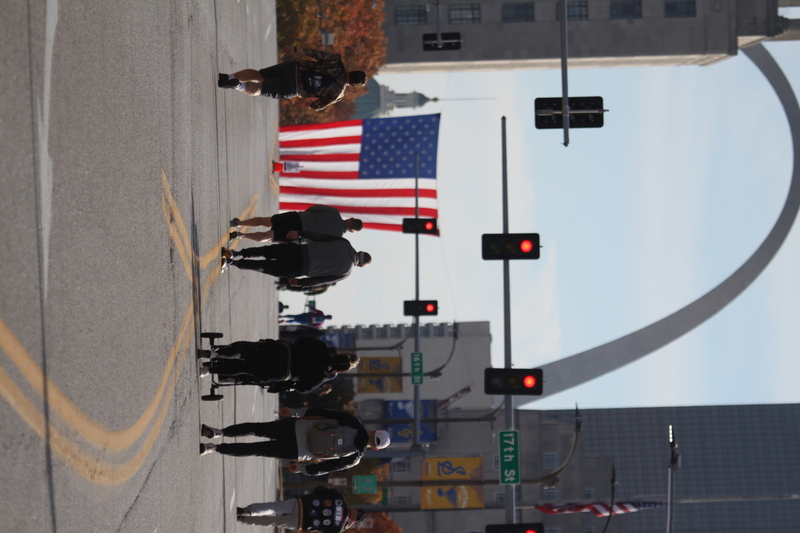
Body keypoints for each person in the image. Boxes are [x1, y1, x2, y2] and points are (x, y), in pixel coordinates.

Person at [200, 407, 391, 476]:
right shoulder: (353, 459)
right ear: (374, 447)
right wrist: (301, 468)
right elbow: (325, 468)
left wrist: (295, 412)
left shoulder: (354, 422)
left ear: (373, 430)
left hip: (297, 428)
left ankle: (219, 432)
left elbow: (323, 413)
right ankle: (214, 448)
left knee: (258, 428)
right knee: (256, 449)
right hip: (298, 451)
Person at [218, 46, 367, 111]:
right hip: (293, 89)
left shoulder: (335, 61)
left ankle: (228, 77)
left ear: (353, 71)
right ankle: (237, 86)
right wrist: (310, 105)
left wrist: (295, 49)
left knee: (259, 75)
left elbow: (314, 53)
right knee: (260, 89)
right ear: (353, 86)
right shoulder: (337, 94)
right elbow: (318, 106)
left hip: (292, 68)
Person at [199, 336, 358, 393]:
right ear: (337, 370)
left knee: (245, 353)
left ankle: (215, 353)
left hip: (282, 351)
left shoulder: (321, 347)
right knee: (245, 369)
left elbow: (303, 339)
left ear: (338, 354)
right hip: (281, 372)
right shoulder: (320, 377)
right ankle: (208, 369)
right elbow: (302, 389)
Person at [220, 237, 371, 288]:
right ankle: (231, 263)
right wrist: (300, 283)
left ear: (359, 252)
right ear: (359, 265)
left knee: (267, 251)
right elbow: (320, 280)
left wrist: (301, 236)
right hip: (300, 268)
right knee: (265, 267)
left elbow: (318, 237)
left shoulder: (344, 243)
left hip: (299, 251)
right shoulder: (346, 272)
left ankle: (237, 253)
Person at [236, 486, 365, 531]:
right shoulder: (339, 526)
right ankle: (244, 520)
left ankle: (248, 511)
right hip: (303, 523)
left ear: (354, 508)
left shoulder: (338, 498)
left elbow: (319, 490)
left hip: (302, 504)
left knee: (275, 507)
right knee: (272, 522)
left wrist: (313, 500)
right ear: (353, 520)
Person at [229, 205, 363, 244]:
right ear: (351, 231)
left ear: (350, 219)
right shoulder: (336, 237)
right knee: (269, 236)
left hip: (298, 218)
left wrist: (307, 217)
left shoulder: (334, 212)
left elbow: (313, 209)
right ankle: (241, 236)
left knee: (267, 220)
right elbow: (317, 242)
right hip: (299, 235)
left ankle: (238, 223)